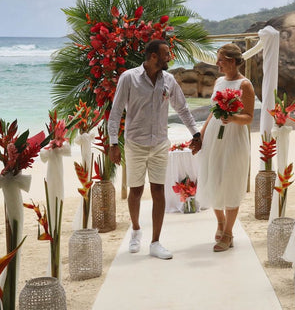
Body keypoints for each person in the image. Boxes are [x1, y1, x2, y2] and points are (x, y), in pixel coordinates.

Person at [108, 39, 202, 260]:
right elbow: (116, 111)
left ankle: (155, 242)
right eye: (166, 53)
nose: (169, 57)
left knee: (159, 191)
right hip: (135, 144)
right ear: (153, 56)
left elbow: (183, 109)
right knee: (136, 191)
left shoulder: (168, 80)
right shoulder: (129, 78)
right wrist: (114, 144)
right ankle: (136, 230)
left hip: (160, 143)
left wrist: (196, 134)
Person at [197, 43, 255, 252]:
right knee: (213, 176)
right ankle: (220, 222)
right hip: (214, 135)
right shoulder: (219, 81)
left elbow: (248, 118)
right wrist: (201, 134)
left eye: (220, 60)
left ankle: (229, 232)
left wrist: (231, 118)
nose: (217, 64)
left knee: (230, 179)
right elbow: (213, 111)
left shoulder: (245, 85)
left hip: (234, 137)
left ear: (231, 61)